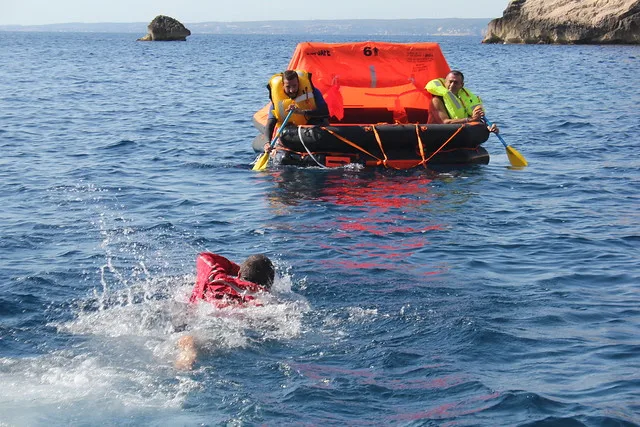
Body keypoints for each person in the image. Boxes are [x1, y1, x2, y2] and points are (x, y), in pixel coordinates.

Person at [175, 252, 275, 370]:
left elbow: (204, 256)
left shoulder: (216, 275)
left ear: (239, 273)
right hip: (228, 320)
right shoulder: (259, 297)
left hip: (202, 309)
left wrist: (240, 269)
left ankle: (188, 346)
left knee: (185, 323)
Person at [264, 69, 330, 152]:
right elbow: (271, 122)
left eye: (294, 86)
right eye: (288, 87)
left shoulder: (313, 92)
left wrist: (302, 112)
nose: (292, 90)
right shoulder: (277, 100)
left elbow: (325, 112)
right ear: (283, 85)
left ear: (298, 83)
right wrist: (267, 143)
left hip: (313, 131)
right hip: (291, 134)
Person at [425, 70, 498, 132]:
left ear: (461, 85)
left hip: (459, 134)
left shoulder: (463, 100)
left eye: (455, 82)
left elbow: (475, 119)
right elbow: (445, 122)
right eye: (450, 82)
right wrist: (470, 120)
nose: (452, 85)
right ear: (445, 82)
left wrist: (488, 127)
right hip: (438, 135)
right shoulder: (436, 101)